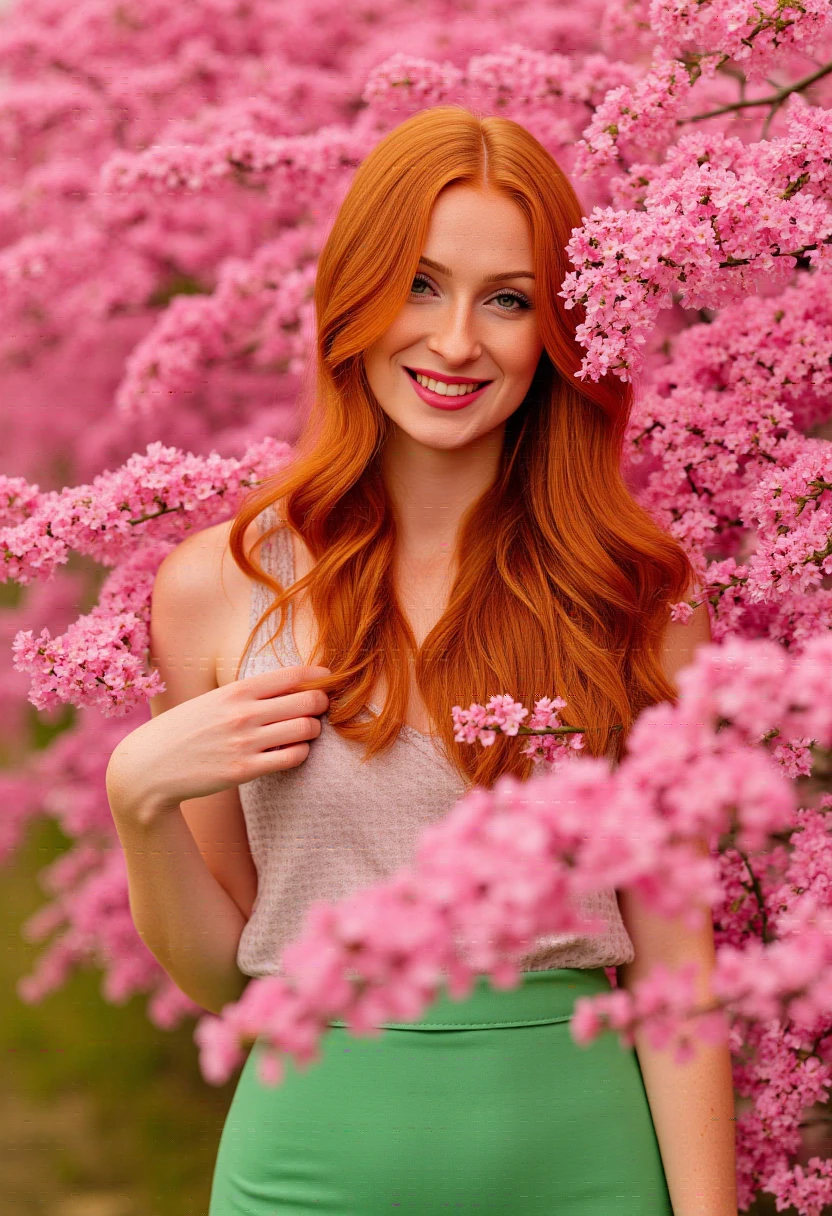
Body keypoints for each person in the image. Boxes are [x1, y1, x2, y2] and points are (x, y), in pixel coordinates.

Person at [107, 106, 738, 1213]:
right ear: (354, 293)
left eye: (508, 299)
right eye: (419, 283)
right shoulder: (221, 587)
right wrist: (138, 800)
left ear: (560, 328)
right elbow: (222, 971)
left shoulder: (637, 599)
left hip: (581, 1169)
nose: (455, 342)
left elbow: (676, 971)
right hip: (305, 1172)